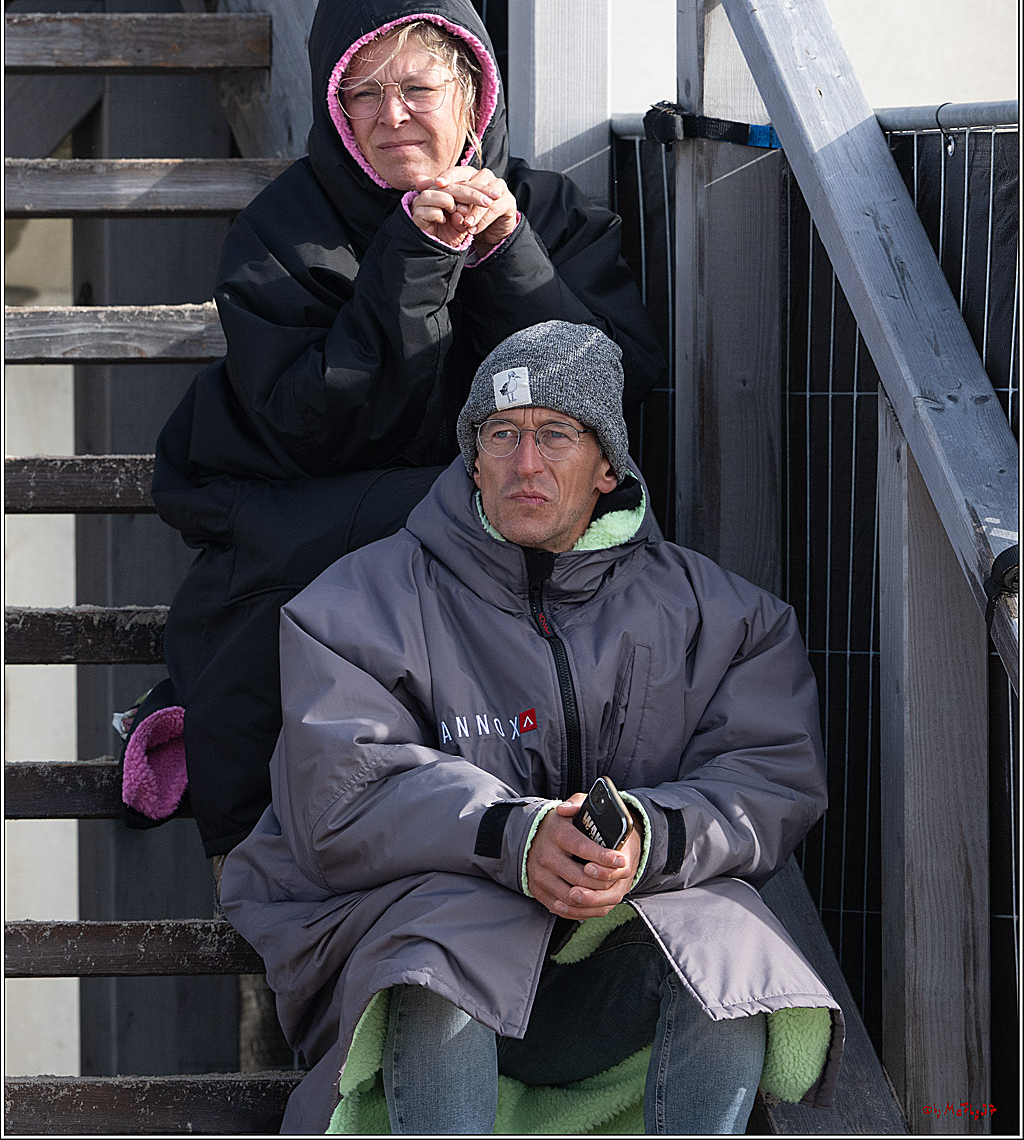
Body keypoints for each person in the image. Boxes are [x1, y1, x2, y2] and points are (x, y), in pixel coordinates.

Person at [221, 320, 843, 1136]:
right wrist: (516, 835)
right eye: (501, 434)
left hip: (600, 975)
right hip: (398, 963)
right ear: (472, 457)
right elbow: (337, 793)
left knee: (728, 949)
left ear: (607, 463)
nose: (524, 462)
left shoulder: (724, 618)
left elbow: (769, 777)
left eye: (556, 434)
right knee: (449, 951)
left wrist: (648, 841)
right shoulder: (354, 605)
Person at [150, 0, 664, 860]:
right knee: (437, 531)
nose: (393, 115)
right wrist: (415, 256)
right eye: (363, 93)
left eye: (418, 85)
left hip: (491, 528)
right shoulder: (283, 228)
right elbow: (325, 425)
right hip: (318, 511)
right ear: (334, 114)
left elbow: (610, 406)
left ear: (472, 92)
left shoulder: (549, 212)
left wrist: (507, 256)